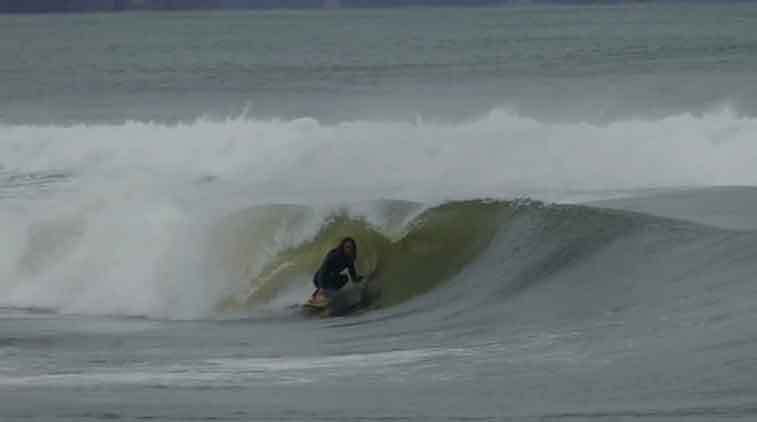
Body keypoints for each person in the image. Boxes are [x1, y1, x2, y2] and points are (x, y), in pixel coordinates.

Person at [310, 237, 364, 302]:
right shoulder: (335, 255)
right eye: (347, 247)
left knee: (344, 278)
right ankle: (319, 294)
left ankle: (327, 294)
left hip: (331, 278)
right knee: (330, 280)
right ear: (343, 247)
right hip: (319, 278)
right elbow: (323, 271)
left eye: (352, 248)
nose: (350, 249)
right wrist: (322, 287)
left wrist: (358, 280)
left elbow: (352, 273)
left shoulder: (349, 258)